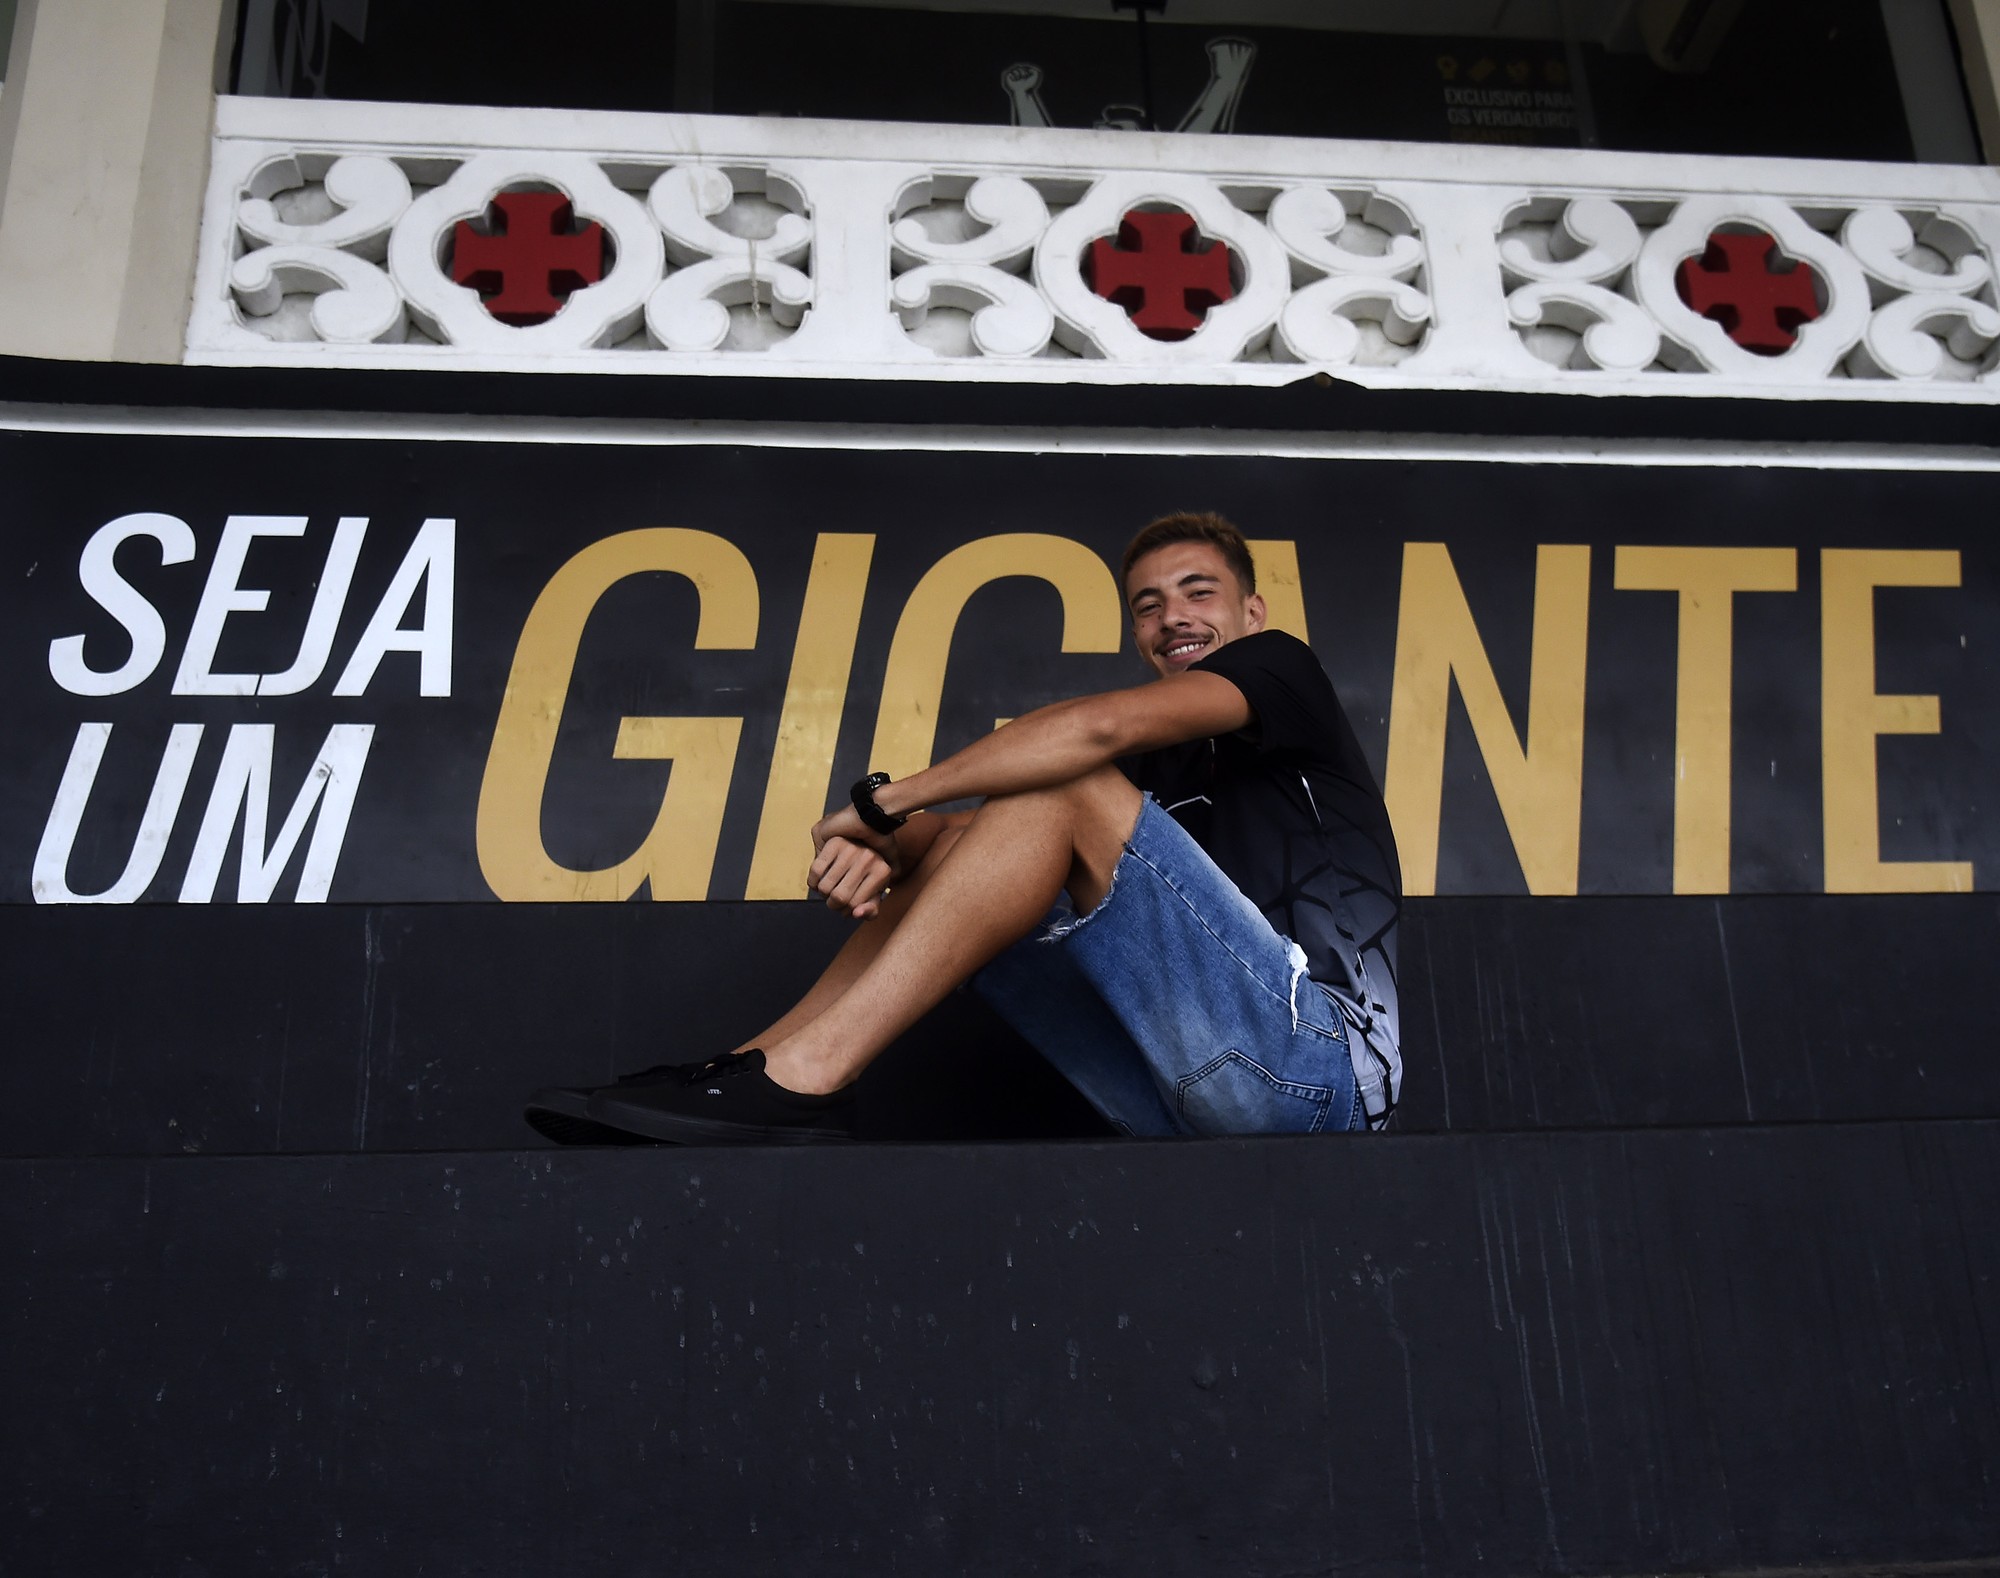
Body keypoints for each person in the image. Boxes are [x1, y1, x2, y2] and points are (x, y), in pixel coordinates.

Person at [525, 511, 1402, 1146]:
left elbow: (1090, 733)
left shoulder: (1281, 670)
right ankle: (752, 1070)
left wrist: (887, 802)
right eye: (1147, 604)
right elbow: (979, 844)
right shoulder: (1142, 780)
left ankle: (811, 1077)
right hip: (1172, 1095)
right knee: (983, 841)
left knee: (1054, 776)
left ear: (1252, 613)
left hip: (1325, 1078)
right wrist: (891, 845)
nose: (1172, 616)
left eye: (1197, 592)